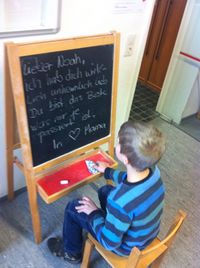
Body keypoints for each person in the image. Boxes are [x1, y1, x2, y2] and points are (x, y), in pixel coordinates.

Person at [47, 121, 166, 264]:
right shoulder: (154, 174)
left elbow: (109, 242)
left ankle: (71, 253)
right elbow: (127, 180)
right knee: (105, 191)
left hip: (124, 247)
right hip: (146, 235)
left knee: (73, 208)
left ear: (125, 159)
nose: (116, 144)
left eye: (118, 142)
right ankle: (114, 222)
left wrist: (94, 213)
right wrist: (108, 172)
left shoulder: (119, 201)